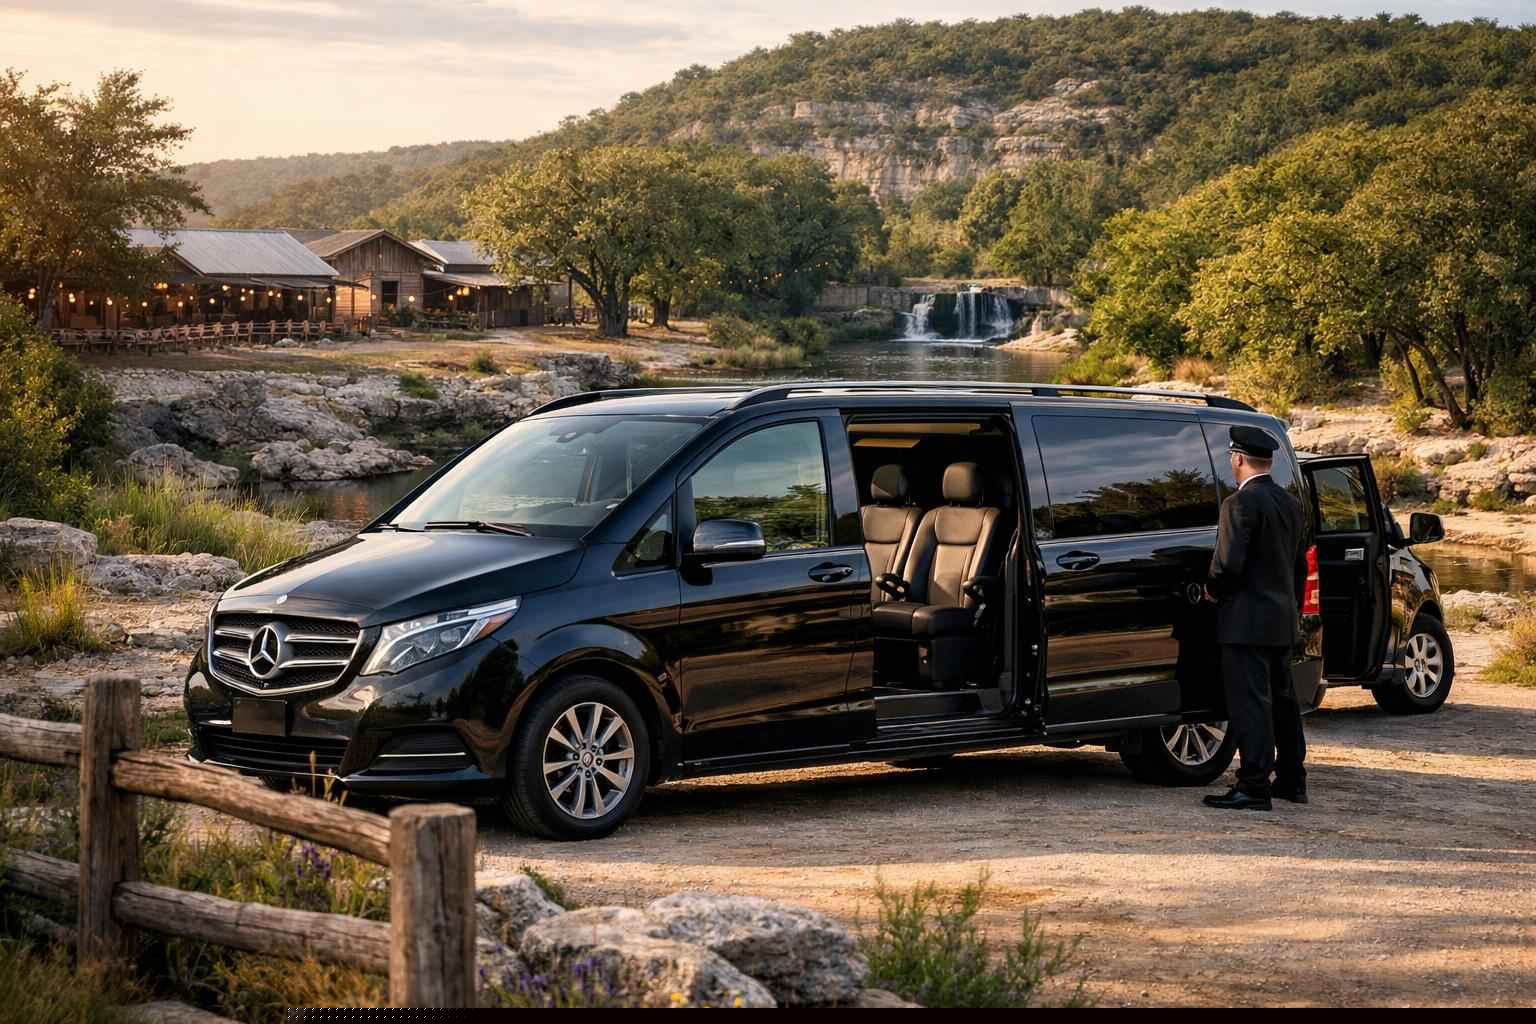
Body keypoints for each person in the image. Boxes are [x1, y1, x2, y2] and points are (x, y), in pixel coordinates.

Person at [1202, 425, 1309, 812]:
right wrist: (1291, 609)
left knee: (1250, 705)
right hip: (1281, 619)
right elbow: (1299, 566)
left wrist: (1211, 590)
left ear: (1239, 458)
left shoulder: (1239, 504)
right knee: (1283, 703)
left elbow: (1227, 564)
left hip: (1245, 622)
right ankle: (1293, 780)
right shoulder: (1290, 503)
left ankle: (1253, 785)